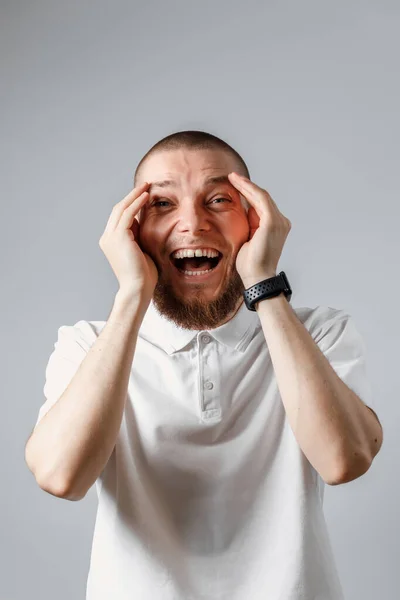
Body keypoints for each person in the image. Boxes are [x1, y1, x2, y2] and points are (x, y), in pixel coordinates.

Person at [25, 130, 383, 600]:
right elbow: (60, 476)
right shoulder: (89, 344)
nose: (192, 224)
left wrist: (264, 285)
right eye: (163, 205)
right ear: (131, 230)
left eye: (218, 200)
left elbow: (344, 460)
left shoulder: (319, 333)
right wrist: (132, 295)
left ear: (255, 221)